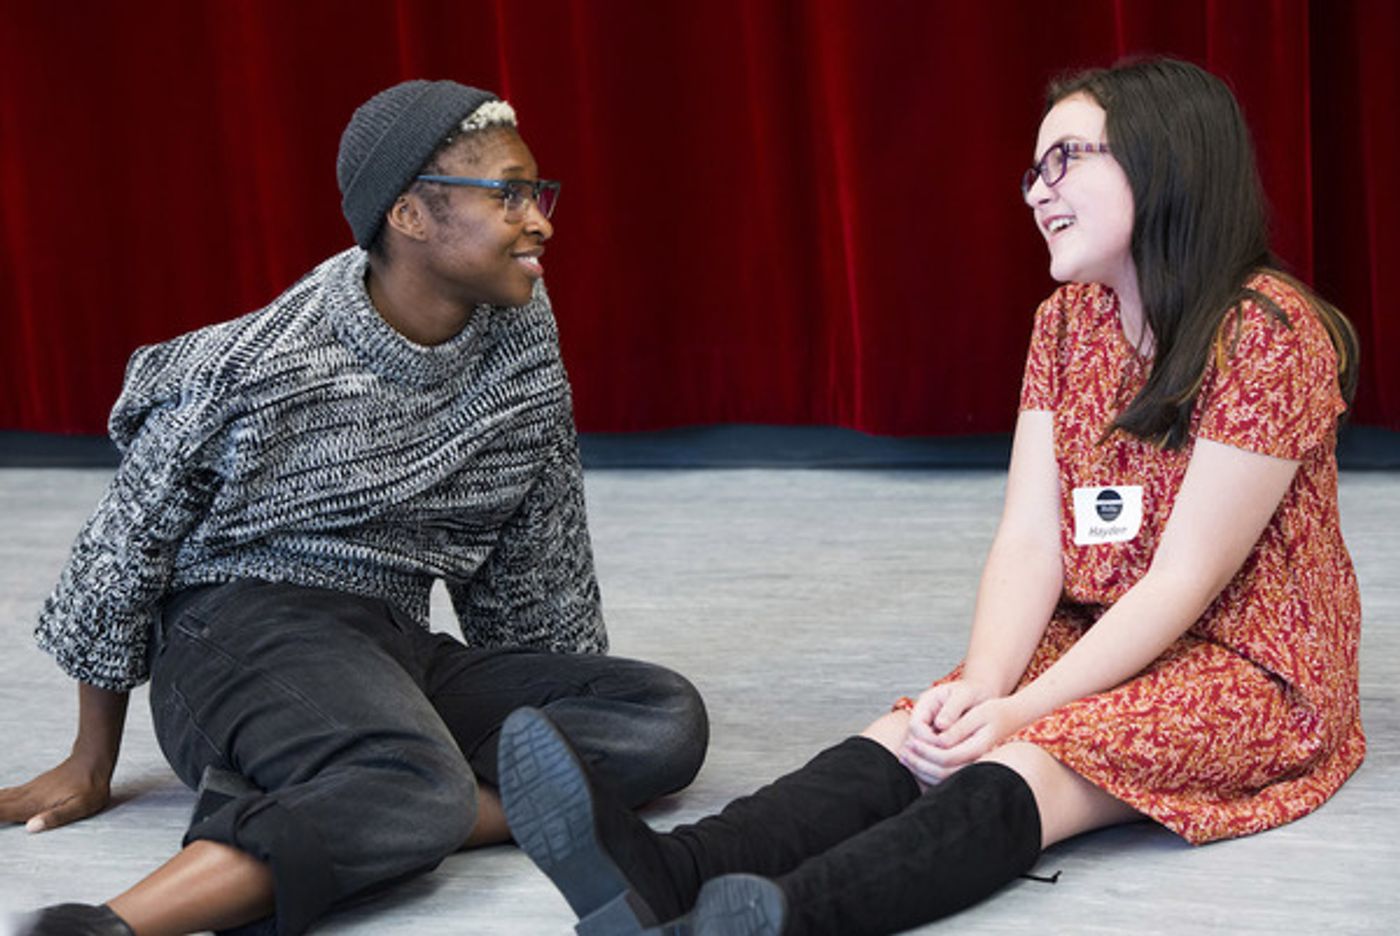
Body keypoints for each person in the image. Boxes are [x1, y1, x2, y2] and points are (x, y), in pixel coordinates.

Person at [495, 57, 1364, 935]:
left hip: (1244, 663)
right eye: (1033, 171)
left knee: (1028, 760)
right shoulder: (1065, 323)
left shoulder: (1266, 333)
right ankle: (667, 872)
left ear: (1161, 158)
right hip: (1100, 627)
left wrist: (1022, 710)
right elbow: (1030, 541)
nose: (1035, 192)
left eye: (1064, 160)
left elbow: (1185, 580)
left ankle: (787, 919)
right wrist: (985, 685)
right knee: (922, 733)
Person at [0, 79, 708, 936]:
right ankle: (109, 924)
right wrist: (90, 761)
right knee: (421, 786)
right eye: (509, 194)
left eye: (539, 191)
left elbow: (539, 523)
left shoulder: (519, 327)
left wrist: (546, 697)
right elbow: (122, 546)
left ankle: (355, 805)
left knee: (661, 719)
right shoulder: (265, 363)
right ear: (410, 215)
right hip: (237, 635)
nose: (541, 219)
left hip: (389, 642)